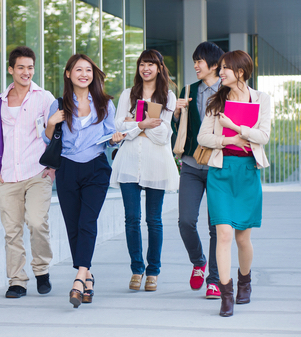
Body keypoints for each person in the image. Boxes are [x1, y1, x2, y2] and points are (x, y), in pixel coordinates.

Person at [198, 50, 271, 317]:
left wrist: (237, 128)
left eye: (226, 68)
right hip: (220, 172)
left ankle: (245, 281)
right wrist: (228, 140)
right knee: (224, 233)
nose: (221, 73)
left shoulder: (262, 99)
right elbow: (202, 137)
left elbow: (263, 136)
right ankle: (225, 293)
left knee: (243, 237)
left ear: (240, 72)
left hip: (247, 172)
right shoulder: (216, 101)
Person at [45, 53, 121, 308]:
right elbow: (48, 140)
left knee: (87, 221)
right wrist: (50, 123)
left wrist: (116, 137)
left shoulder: (105, 104)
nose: (84, 74)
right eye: (78, 70)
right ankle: (88, 279)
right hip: (67, 168)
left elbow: (110, 136)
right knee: (73, 225)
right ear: (68, 74)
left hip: (96, 168)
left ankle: (79, 277)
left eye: (88, 70)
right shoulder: (57, 104)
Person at [0, 46, 56, 299]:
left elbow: (57, 133)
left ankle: (41, 269)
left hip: (38, 172)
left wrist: (54, 167)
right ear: (11, 70)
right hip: (7, 176)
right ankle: (17, 280)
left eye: (30, 67)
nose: (26, 72)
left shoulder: (44, 97)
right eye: (21, 67)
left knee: (38, 223)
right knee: (12, 230)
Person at [110, 49, 179, 292]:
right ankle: (137, 269)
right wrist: (144, 123)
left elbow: (163, 135)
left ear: (159, 68)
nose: (146, 68)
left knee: (154, 220)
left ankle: (153, 271)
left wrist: (135, 126)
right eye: (142, 64)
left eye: (151, 64)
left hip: (156, 165)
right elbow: (118, 126)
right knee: (131, 219)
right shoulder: (127, 95)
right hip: (128, 164)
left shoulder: (168, 97)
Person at [172, 41, 224, 299]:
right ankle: (198, 261)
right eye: (194, 61)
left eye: (199, 61)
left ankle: (214, 279)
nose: (195, 65)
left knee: (216, 226)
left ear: (214, 64)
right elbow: (181, 131)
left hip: (217, 166)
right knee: (185, 221)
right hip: (191, 166)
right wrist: (178, 115)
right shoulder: (189, 90)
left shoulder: (229, 90)